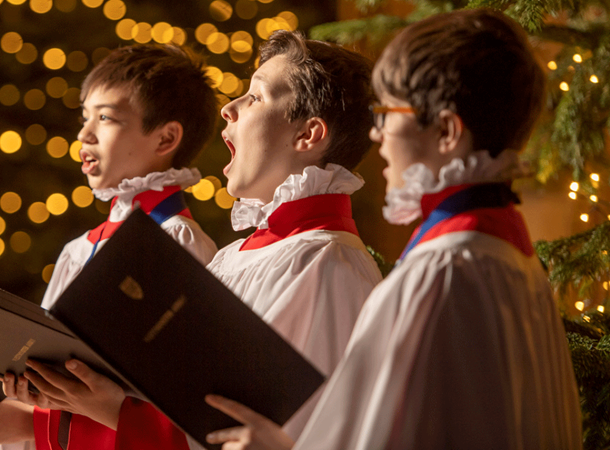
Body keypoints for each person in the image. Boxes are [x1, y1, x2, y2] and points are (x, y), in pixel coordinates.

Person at [203, 8, 583, 450]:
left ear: (445, 131)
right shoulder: (502, 254)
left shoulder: (443, 268)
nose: (378, 134)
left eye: (390, 112)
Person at [5, 30, 383, 450]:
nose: (229, 109)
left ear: (308, 135)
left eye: (255, 97)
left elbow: (294, 434)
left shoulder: (326, 265)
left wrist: (115, 411)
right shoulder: (233, 257)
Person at [0, 43, 220, 450]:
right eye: (85, 117)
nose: (84, 134)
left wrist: (33, 427)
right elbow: (40, 374)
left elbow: (179, 409)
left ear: (166, 137)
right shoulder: (80, 250)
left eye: (106, 118)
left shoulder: (177, 244)